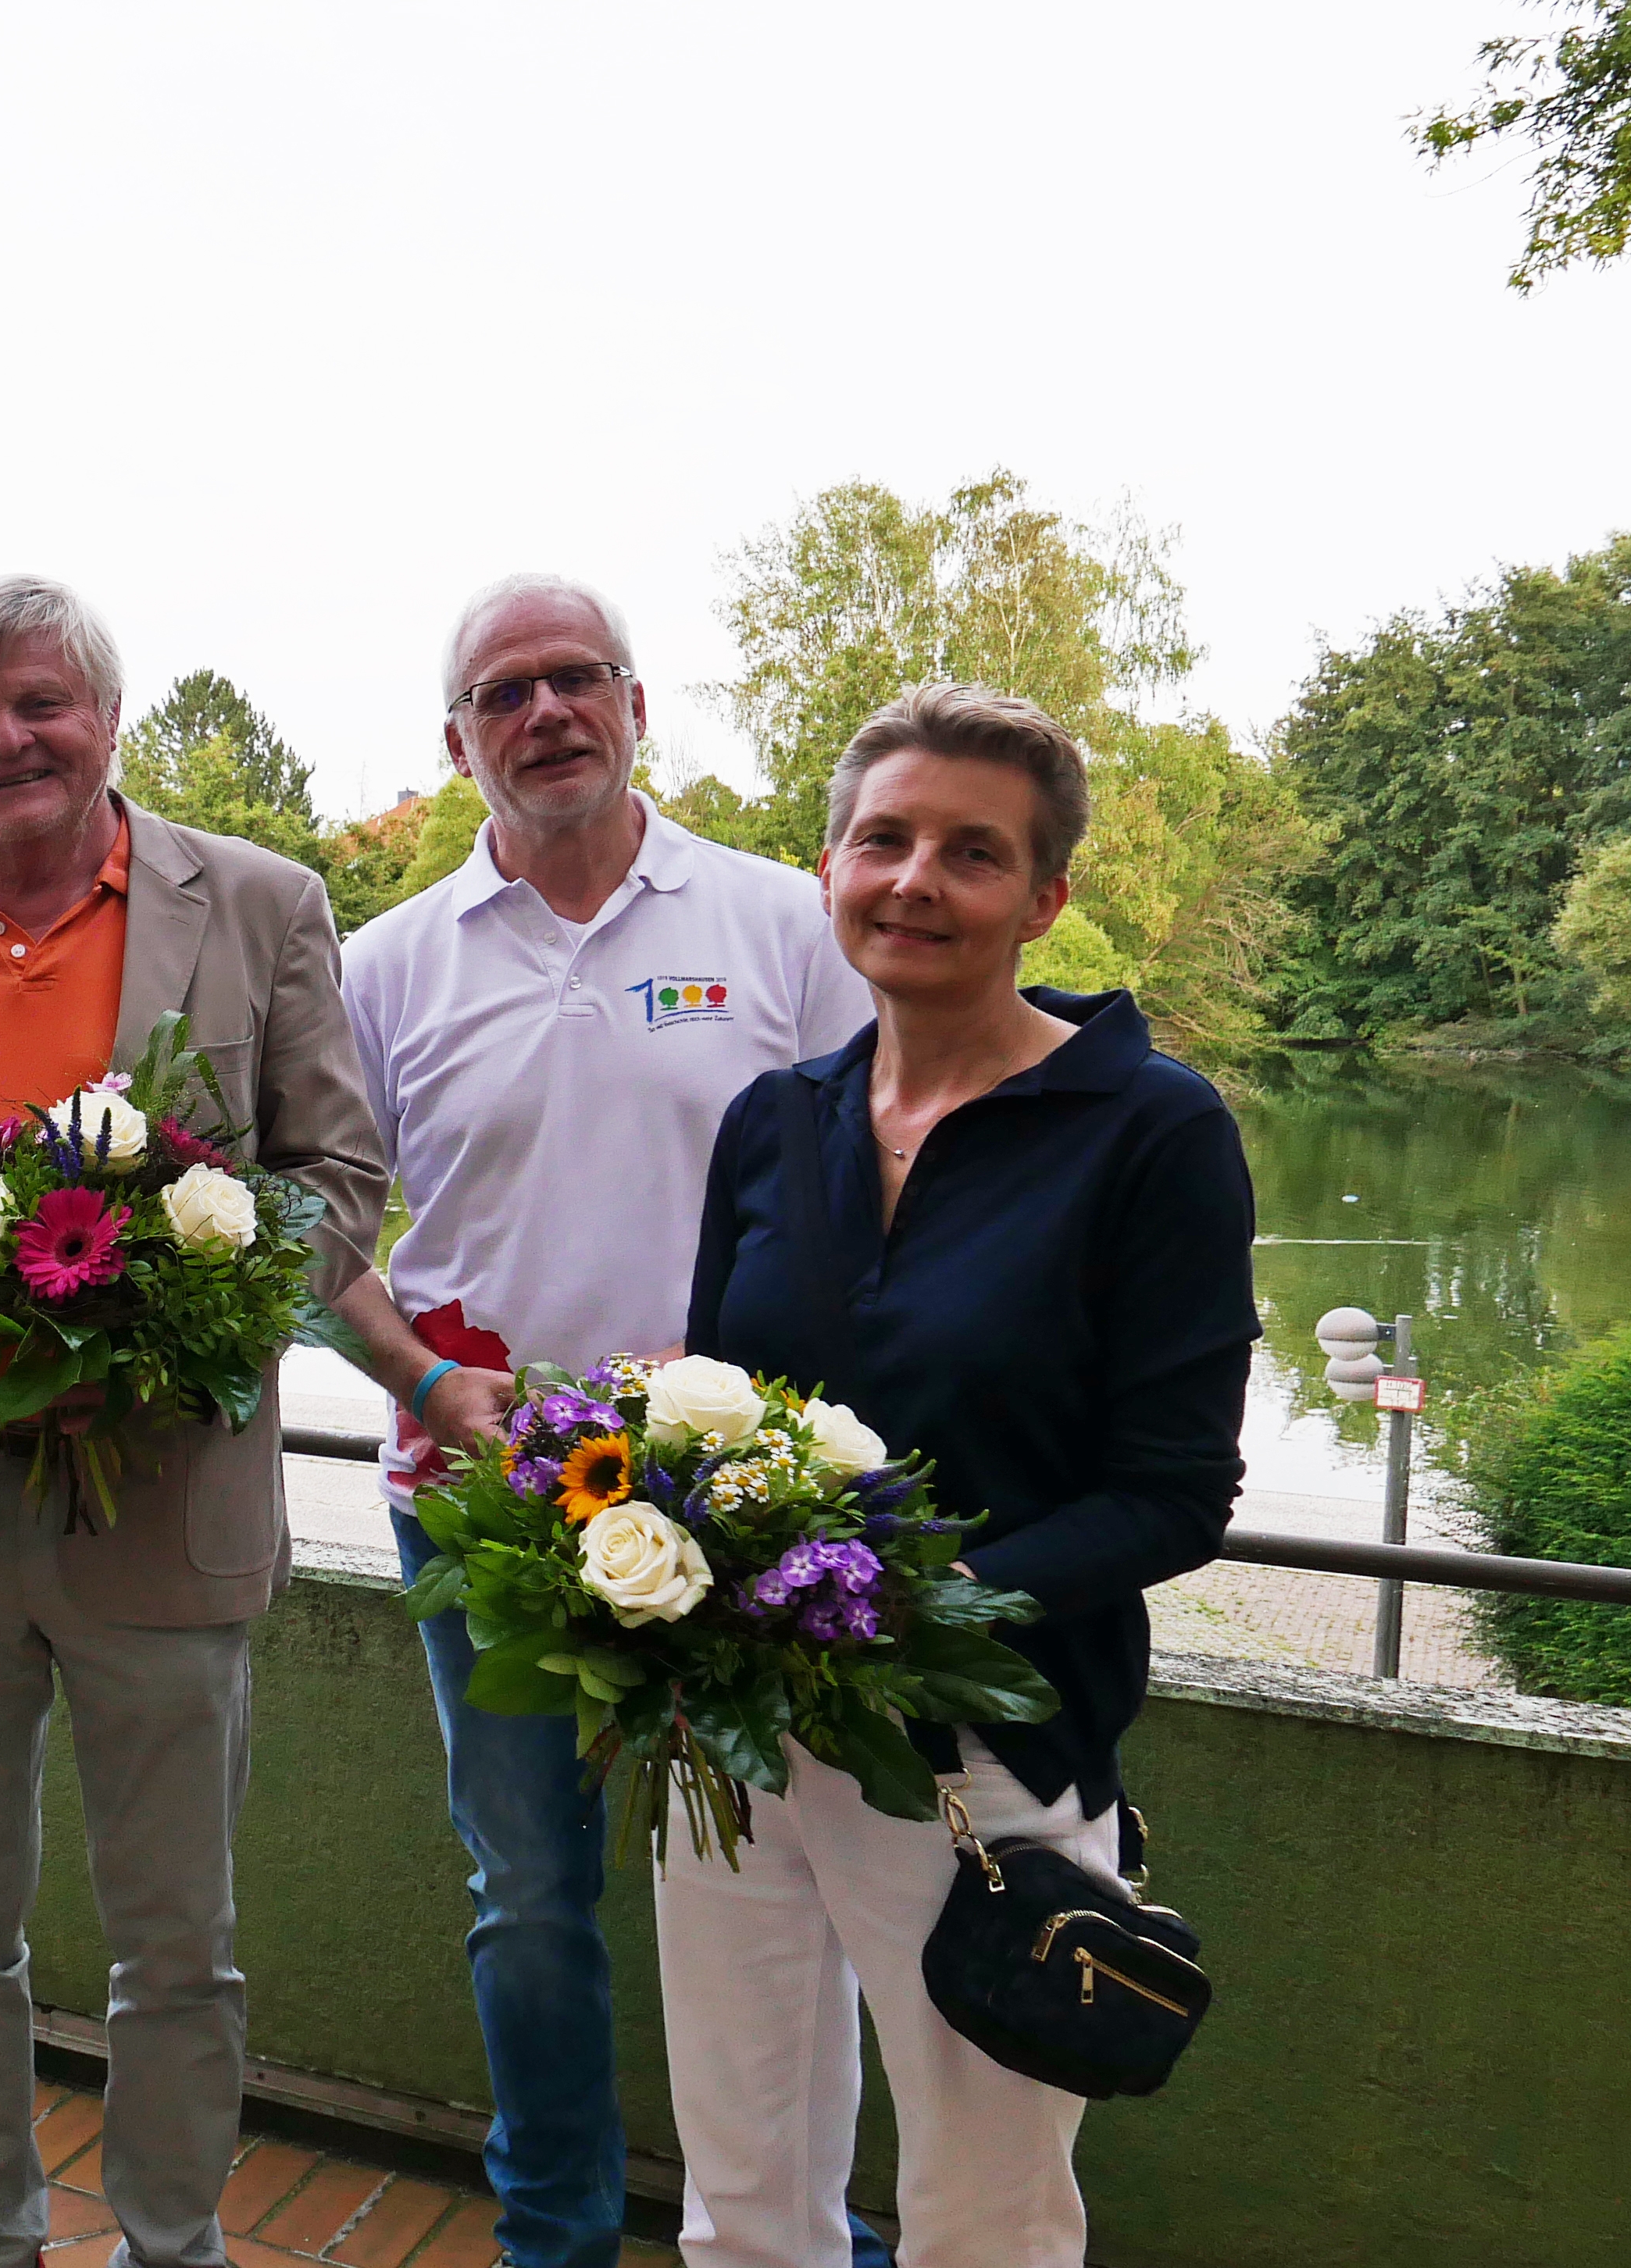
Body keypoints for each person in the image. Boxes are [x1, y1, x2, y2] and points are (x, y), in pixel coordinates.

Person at [0, 576, 390, 2268]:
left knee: (177, 1948)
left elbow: (338, 1180)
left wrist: (177, 1322)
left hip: (162, 1502)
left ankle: (169, 2244)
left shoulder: (259, 904)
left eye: (39, 703)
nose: (6, 739)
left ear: (106, 718)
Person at [669, 685, 1254, 2266]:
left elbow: (1174, 1493)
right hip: (739, 1741)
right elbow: (713, 1419)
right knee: (738, 2190)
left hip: (986, 1756)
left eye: (972, 853)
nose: (915, 881)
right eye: (884, 841)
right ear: (828, 870)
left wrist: (907, 1606)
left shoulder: (1151, 1132)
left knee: (985, 2216)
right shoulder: (770, 1122)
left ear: (1043, 897)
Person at [331, 576, 879, 2268]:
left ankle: (794, 2235)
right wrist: (425, 1385)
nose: (545, 711)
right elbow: (309, 1235)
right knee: (527, 1896)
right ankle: (553, 2234)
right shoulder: (385, 966)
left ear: (638, 706)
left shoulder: (782, 923)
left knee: (786, 1892)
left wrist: (777, 1413)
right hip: (485, 1504)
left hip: (746, 1508)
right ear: (455, 744)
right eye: (503, 693)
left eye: (577, 678)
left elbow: (885, 1189)